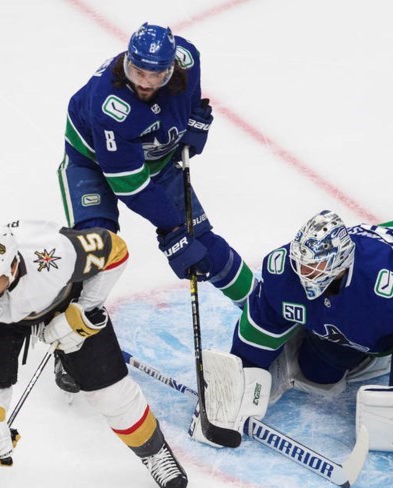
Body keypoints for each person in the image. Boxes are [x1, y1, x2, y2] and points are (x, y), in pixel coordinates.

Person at [0, 220, 188, 488]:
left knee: (111, 393)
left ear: (13, 264)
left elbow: (115, 252)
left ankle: (154, 451)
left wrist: (82, 310)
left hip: (63, 302)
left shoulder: (55, 253)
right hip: (0, 325)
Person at [57, 23, 255, 390]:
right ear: (127, 62)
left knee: (205, 246)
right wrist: (172, 228)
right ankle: (73, 346)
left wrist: (194, 118)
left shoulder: (187, 58)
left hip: (157, 160)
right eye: (138, 71)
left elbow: (191, 92)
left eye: (156, 74)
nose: (146, 82)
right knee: (95, 250)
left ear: (171, 68)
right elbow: (131, 187)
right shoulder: (110, 107)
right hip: (92, 164)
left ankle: (264, 312)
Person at [191, 210, 393, 446]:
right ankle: (363, 350)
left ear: (340, 262)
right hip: (363, 304)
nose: (305, 275)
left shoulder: (390, 281)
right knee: (316, 373)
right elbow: (259, 325)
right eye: (301, 265)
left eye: (314, 268)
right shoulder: (284, 271)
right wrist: (239, 374)